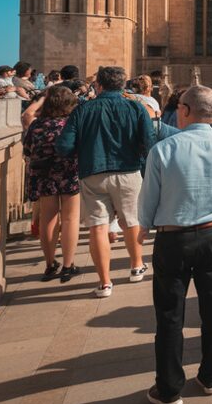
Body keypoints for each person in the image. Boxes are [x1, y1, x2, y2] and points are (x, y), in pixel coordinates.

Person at [138, 86, 212, 404]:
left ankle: (168, 389)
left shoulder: (164, 149)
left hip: (174, 237)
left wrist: (142, 228)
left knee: (170, 314)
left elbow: (148, 200)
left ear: (184, 110)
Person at [56, 66, 156, 297]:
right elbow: (149, 141)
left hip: (92, 173)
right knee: (131, 221)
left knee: (98, 227)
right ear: (123, 85)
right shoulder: (135, 107)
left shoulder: (83, 110)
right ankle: (136, 266)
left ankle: (104, 283)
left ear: (98, 85)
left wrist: (83, 151)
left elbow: (63, 146)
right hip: (128, 171)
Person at [22, 86, 82, 283]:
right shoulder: (71, 124)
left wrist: (41, 99)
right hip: (69, 173)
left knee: (48, 218)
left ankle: (49, 264)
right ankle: (68, 265)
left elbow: (28, 151)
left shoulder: (37, 125)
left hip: (44, 175)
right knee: (70, 219)